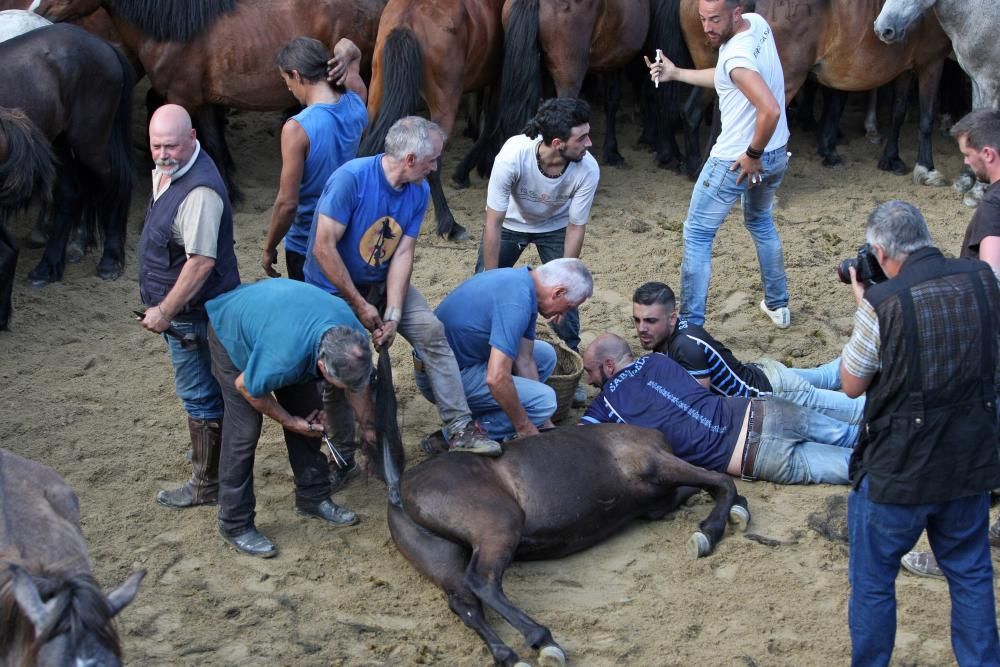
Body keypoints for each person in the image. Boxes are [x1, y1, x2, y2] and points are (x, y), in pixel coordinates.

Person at [838, 201, 1000, 665]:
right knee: (970, 574)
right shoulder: (983, 280)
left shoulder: (880, 304)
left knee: (872, 583)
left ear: (880, 251)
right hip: (968, 460)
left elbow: (852, 384)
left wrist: (865, 306)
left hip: (898, 470)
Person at [304, 116, 500, 456]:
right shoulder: (351, 180)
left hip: (380, 284)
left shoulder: (418, 189)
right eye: (432, 159)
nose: (436, 167)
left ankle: (459, 426)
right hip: (334, 291)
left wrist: (393, 313)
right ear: (410, 159)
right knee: (346, 366)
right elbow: (323, 248)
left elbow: (402, 253)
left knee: (431, 331)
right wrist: (359, 304)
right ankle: (343, 455)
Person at [647, 0, 791, 329]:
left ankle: (691, 326)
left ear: (735, 13)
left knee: (697, 234)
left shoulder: (737, 57)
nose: (707, 27)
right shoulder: (757, 25)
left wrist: (752, 155)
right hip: (777, 153)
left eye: (715, 19)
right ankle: (778, 305)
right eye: (702, 19)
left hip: (737, 159)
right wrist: (676, 73)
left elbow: (769, 109)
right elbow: (726, 75)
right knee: (760, 222)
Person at [206, 279, 375, 558]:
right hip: (232, 329)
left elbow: (358, 385)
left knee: (308, 408)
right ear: (322, 366)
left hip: (280, 319)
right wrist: (288, 421)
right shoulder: (284, 358)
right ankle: (234, 522)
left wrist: (368, 428)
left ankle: (312, 496)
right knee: (244, 431)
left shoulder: (355, 338)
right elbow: (245, 386)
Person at [901, 109, 1000, 577]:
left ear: (988, 153)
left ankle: (951, 555)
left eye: (966, 156)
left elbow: (991, 280)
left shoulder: (994, 207)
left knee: (972, 450)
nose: (965, 165)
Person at [581, 333, 857, 485]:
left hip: (756, 456)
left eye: (590, 372)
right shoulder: (660, 362)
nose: (590, 382)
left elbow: (578, 441)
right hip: (765, 410)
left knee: (857, 466)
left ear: (608, 366)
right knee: (851, 435)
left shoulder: (605, 403)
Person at [138, 104, 240, 510]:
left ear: (193, 138)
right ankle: (209, 453)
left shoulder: (198, 192)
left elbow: (200, 263)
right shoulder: (175, 170)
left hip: (193, 315)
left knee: (198, 394)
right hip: (189, 312)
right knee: (208, 390)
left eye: (172, 146)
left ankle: (205, 484)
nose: (163, 155)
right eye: (156, 146)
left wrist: (164, 312)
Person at [476, 98, 599, 379]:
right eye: (582, 138)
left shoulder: (588, 169)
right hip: (510, 224)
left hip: (554, 227)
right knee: (482, 284)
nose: (589, 143)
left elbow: (575, 227)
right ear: (557, 143)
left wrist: (567, 279)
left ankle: (569, 354)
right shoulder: (512, 155)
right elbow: (493, 222)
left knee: (569, 293)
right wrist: (491, 280)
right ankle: (485, 358)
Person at [631, 281, 863, 426]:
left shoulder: (684, 346)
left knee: (858, 410)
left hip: (777, 392)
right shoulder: (679, 334)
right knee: (829, 374)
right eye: (638, 320)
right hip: (766, 375)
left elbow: (699, 405)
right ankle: (877, 351)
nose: (642, 329)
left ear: (672, 318)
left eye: (650, 321)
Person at [423, 258, 593, 442]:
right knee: (544, 402)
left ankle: (487, 413)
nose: (563, 315)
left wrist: (545, 425)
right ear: (558, 292)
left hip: (457, 362)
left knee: (545, 355)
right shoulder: (516, 304)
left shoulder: (523, 282)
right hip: (442, 379)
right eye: (568, 308)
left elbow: (525, 359)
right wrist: (525, 426)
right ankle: (456, 436)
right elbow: (496, 378)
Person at [261, 36, 368, 281]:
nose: (288, 87)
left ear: (297, 75)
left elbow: (287, 204)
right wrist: (342, 53)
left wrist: (269, 247)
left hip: (306, 243)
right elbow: (351, 48)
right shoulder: (356, 97)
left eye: (286, 79)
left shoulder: (298, 128)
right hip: (347, 232)